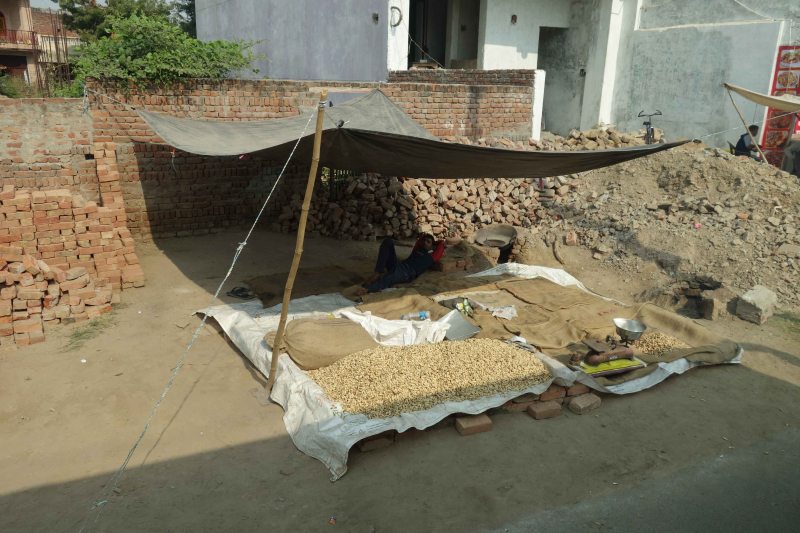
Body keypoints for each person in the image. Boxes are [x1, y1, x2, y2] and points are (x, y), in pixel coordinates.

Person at [358, 233, 445, 294]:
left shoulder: (431, 257)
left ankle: (368, 289)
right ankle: (377, 272)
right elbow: (419, 240)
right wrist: (425, 238)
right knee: (388, 241)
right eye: (424, 241)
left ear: (432, 246)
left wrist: (435, 242)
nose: (425, 242)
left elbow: (441, 244)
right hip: (399, 265)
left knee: (389, 277)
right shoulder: (417, 249)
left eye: (428, 242)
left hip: (407, 273)